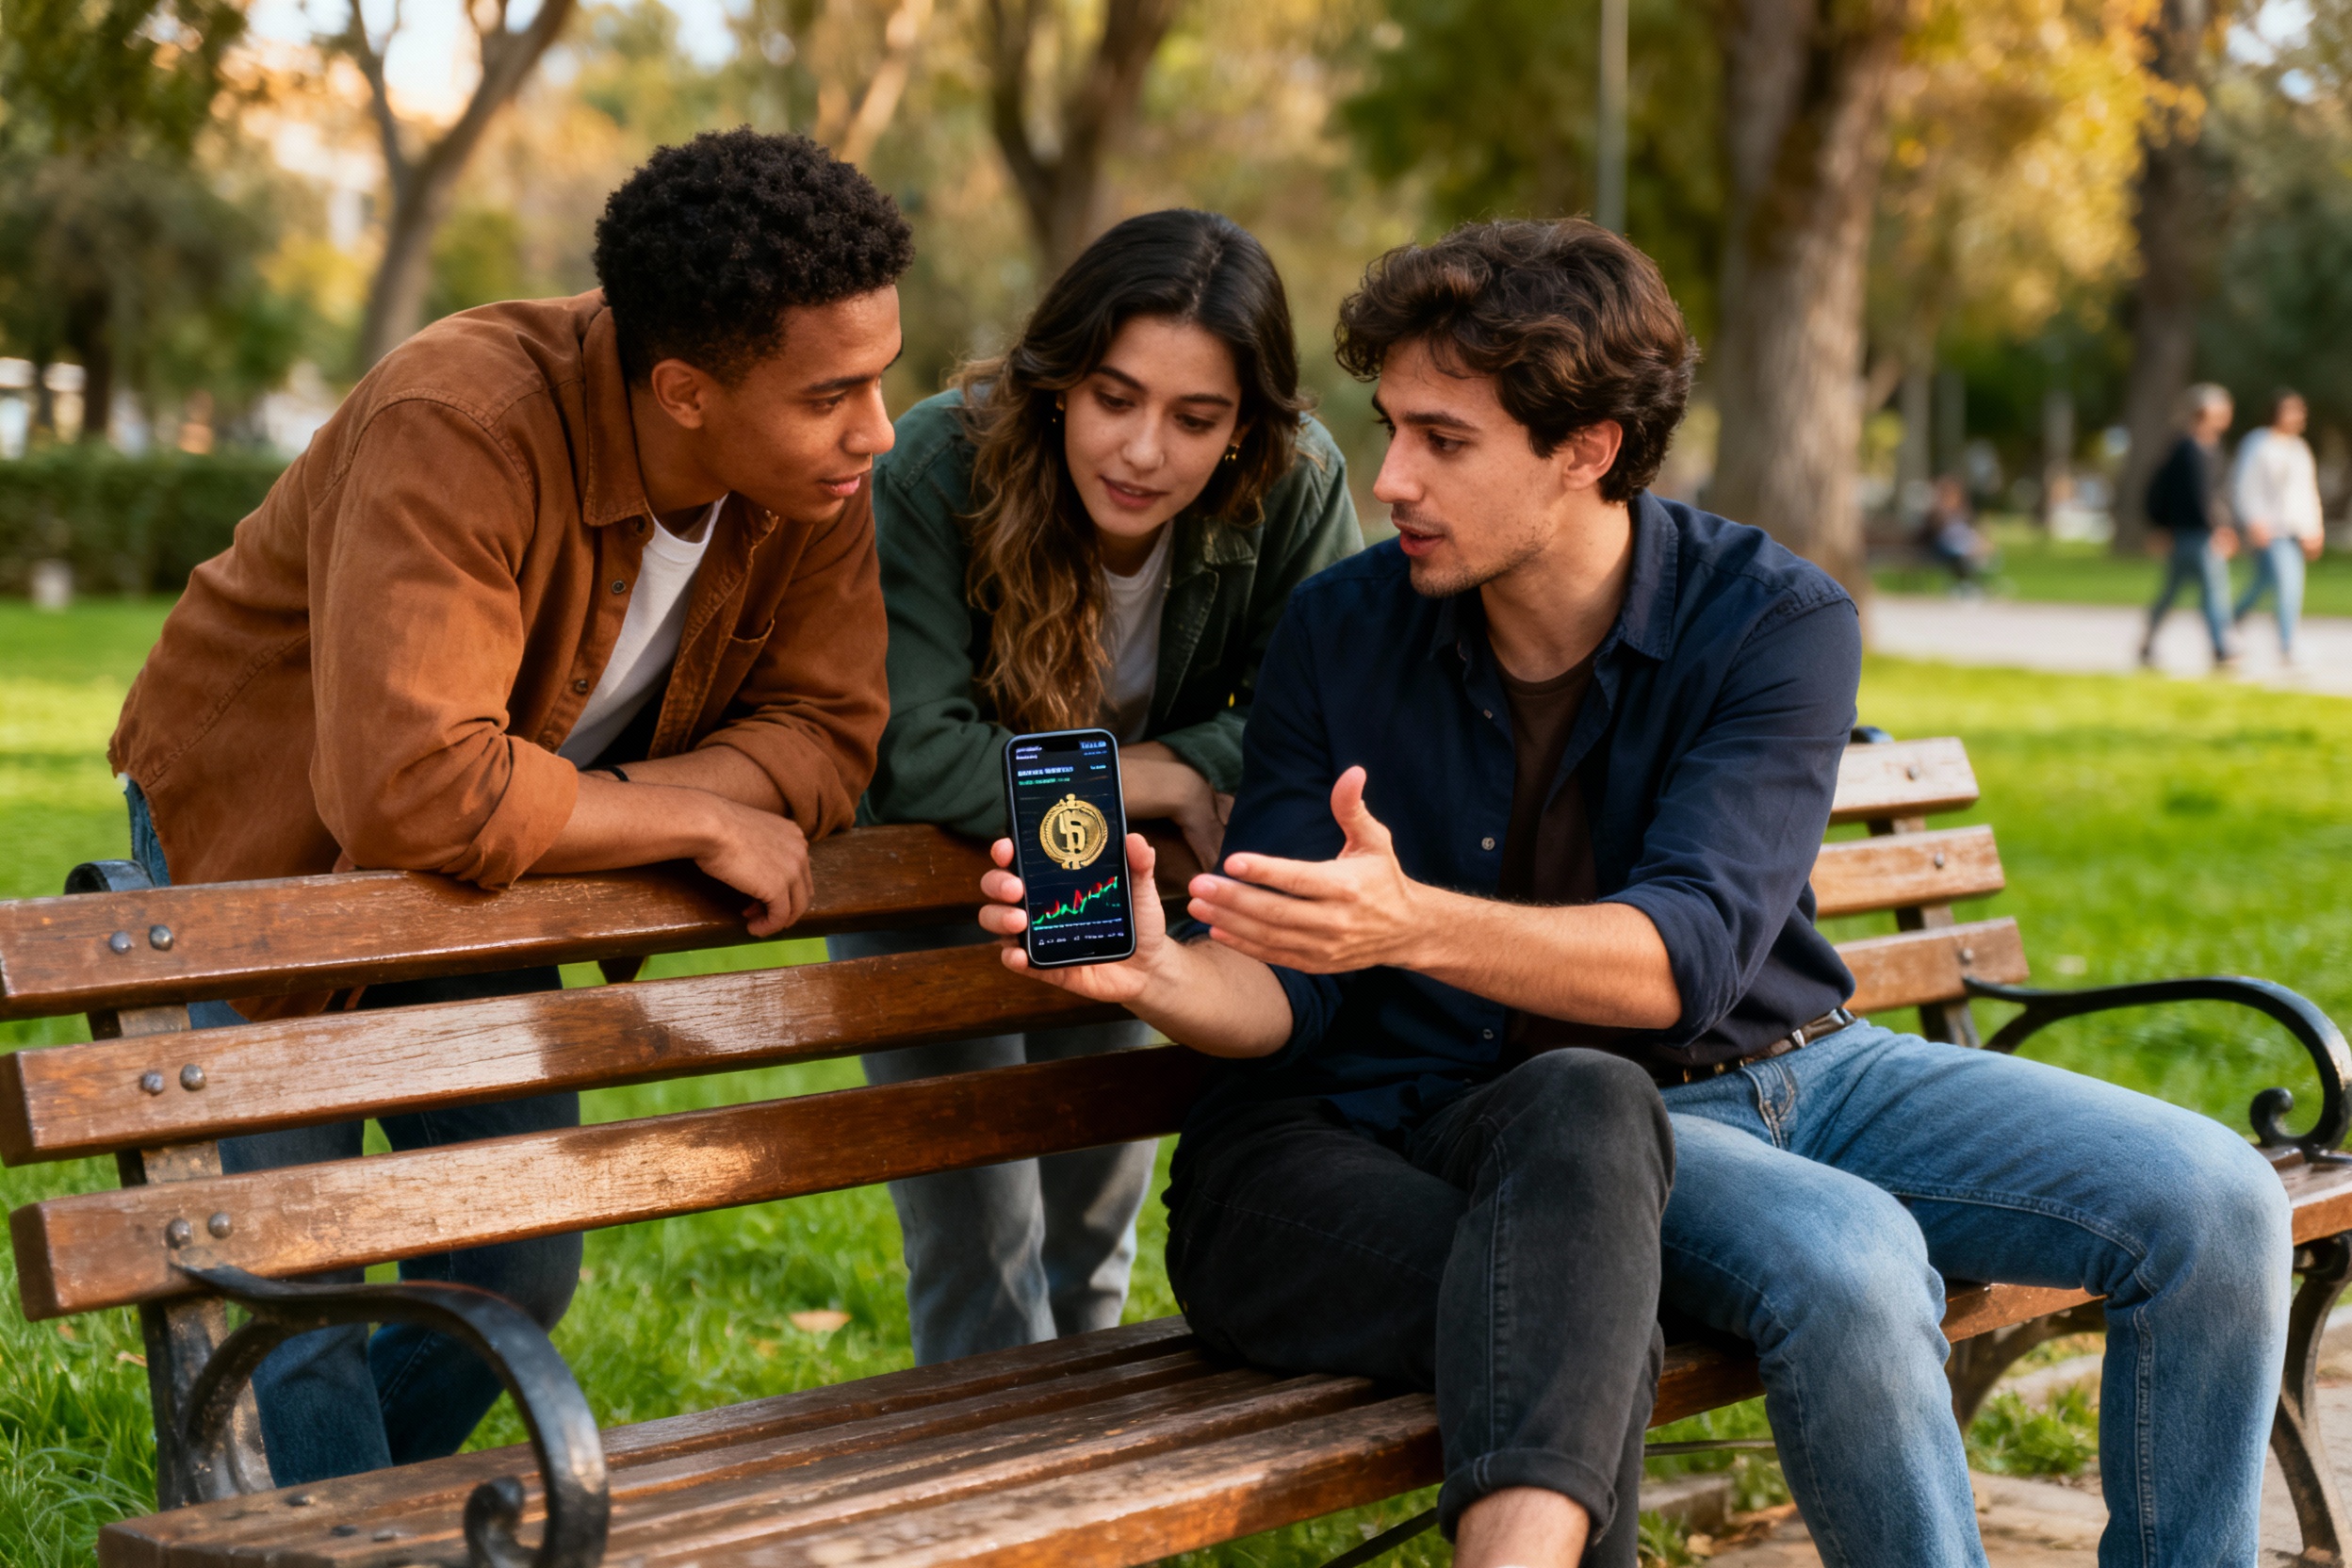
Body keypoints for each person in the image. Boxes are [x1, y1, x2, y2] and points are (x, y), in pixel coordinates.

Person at [981, 219, 2293, 1568]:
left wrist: (1417, 918)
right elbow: (1296, 985)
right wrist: (1156, 969)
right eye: (1392, 429)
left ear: (1587, 448)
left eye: (1446, 440)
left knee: (2218, 1202)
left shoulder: (1773, 620)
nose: (1391, 481)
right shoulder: (1345, 632)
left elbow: (1692, 956)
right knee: (1848, 1264)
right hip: (1562, 1131)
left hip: (1802, 1063)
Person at [106, 129, 908, 1483]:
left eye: (880, 378)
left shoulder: (811, 480)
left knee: (514, 1265)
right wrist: (705, 818)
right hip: (266, 849)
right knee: (292, 1284)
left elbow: (830, 732)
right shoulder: (461, 420)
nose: (875, 432)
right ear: (683, 390)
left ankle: (315, 1501)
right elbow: (411, 785)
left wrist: (609, 799)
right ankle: (317, 1515)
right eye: (833, 393)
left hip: (504, 859)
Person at [834, 208, 1361, 1365]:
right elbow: (914, 754)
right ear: (1059, 377)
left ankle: (1080, 1518)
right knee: (982, 1240)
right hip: (939, 874)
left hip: (1128, 880)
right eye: (1114, 398)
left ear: (1246, 424)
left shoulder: (1294, 486)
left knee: (1087, 1228)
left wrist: (1174, 779)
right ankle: (999, 1522)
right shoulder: (938, 464)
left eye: (1195, 418)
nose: (1141, 451)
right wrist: (1150, 776)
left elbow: (1319, 720)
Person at [2141, 383, 2240, 671]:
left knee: (2174, 593)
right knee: (2214, 592)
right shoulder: (2186, 449)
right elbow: (2189, 497)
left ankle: (2148, 642)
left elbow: (2217, 495)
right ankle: (2221, 649)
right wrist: (2217, 528)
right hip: (2195, 535)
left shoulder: (2210, 448)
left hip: (2193, 535)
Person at [2232, 388, 2327, 665]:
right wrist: (2253, 520)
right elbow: (2245, 486)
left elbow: (2308, 493)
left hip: (2295, 530)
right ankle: (2288, 645)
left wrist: (2314, 529)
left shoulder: (2299, 449)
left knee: (2262, 584)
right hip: (2270, 530)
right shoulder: (2259, 443)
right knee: (2289, 584)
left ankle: (2228, 623)